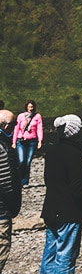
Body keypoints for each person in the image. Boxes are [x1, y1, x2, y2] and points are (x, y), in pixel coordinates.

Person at [41, 114, 82, 274]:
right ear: (75, 132)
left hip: (51, 207)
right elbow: (79, 186)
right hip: (69, 210)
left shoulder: (51, 152)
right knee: (66, 256)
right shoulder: (74, 154)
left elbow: (47, 180)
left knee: (50, 253)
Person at [0, 109, 22, 273]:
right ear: (6, 126)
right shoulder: (3, 147)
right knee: (1, 249)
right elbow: (7, 181)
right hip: (1, 210)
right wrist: (14, 206)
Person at [12, 101, 42, 187]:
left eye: (32, 107)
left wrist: (40, 141)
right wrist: (14, 142)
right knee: (21, 161)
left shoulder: (37, 116)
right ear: (26, 107)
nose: (30, 108)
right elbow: (16, 128)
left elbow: (39, 129)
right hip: (21, 140)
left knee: (28, 161)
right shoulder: (21, 116)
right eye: (29, 107)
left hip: (32, 141)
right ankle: (19, 179)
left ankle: (24, 182)